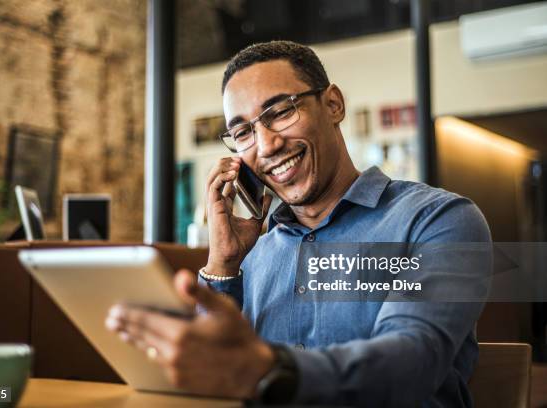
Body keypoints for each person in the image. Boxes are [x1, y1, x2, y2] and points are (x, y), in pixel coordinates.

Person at [105, 41, 491, 407]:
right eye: (243, 132)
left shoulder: (438, 221)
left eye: (280, 112)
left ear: (333, 104)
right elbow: (209, 374)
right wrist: (223, 265)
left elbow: (412, 361)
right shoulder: (253, 255)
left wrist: (267, 369)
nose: (267, 145)